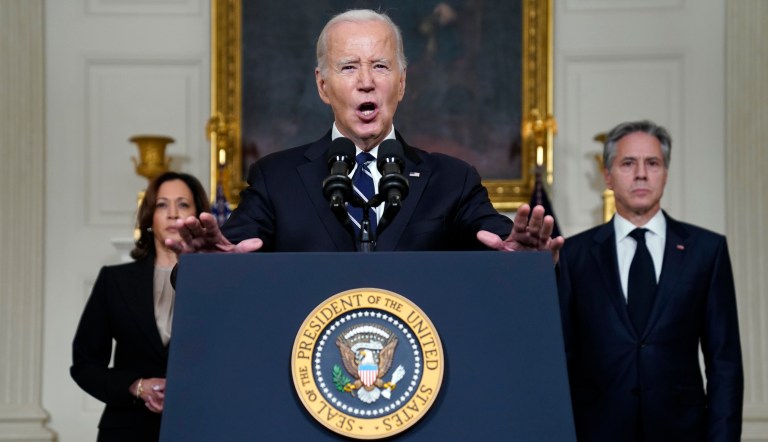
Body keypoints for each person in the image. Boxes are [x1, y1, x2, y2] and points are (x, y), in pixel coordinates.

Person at [166, 8, 564, 258]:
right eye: (348, 67)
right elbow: (224, 254)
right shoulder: (276, 179)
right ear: (323, 85)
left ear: (402, 83)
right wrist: (206, 264)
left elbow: (503, 248)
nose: (366, 82)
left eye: (380, 66)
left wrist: (523, 257)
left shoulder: (452, 181)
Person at [557, 120, 743, 441]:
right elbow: (562, 359)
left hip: (683, 433)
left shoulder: (706, 251)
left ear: (665, 174)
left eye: (653, 163)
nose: (641, 174)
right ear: (608, 176)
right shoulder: (573, 255)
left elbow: (724, 363)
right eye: (628, 163)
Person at [71, 172, 211, 441]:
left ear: (198, 214)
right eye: (162, 204)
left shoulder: (218, 282)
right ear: (149, 216)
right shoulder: (114, 281)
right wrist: (135, 386)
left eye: (183, 204)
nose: (173, 213)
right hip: (128, 429)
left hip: (199, 425)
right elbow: (85, 365)